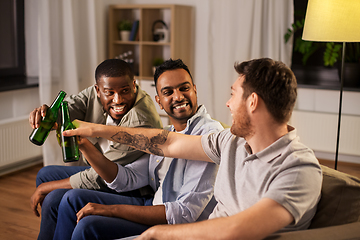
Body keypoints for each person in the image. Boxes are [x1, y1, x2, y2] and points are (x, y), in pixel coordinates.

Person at [64, 58, 323, 240]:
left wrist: (161, 233)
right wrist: (95, 131)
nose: (228, 104)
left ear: (252, 102)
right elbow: (167, 142)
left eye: (233, 95)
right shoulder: (231, 142)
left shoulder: (298, 169)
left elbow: (238, 230)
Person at [49, 58, 223, 240]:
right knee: (72, 199)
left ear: (194, 89)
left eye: (184, 88)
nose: (178, 97)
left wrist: (111, 210)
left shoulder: (210, 135)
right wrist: (84, 145)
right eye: (168, 92)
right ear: (159, 101)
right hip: (155, 207)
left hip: (176, 226)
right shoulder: (164, 135)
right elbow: (126, 179)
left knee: (88, 225)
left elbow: (183, 214)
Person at [29, 59, 162, 239]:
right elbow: (67, 109)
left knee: (53, 196)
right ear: (97, 90)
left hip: (130, 185)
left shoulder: (140, 121)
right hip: (105, 170)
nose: (118, 100)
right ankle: (62, 228)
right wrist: (46, 113)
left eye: (125, 91)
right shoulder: (94, 93)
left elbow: (101, 176)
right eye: (109, 93)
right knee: (45, 175)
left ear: (134, 85)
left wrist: (45, 188)